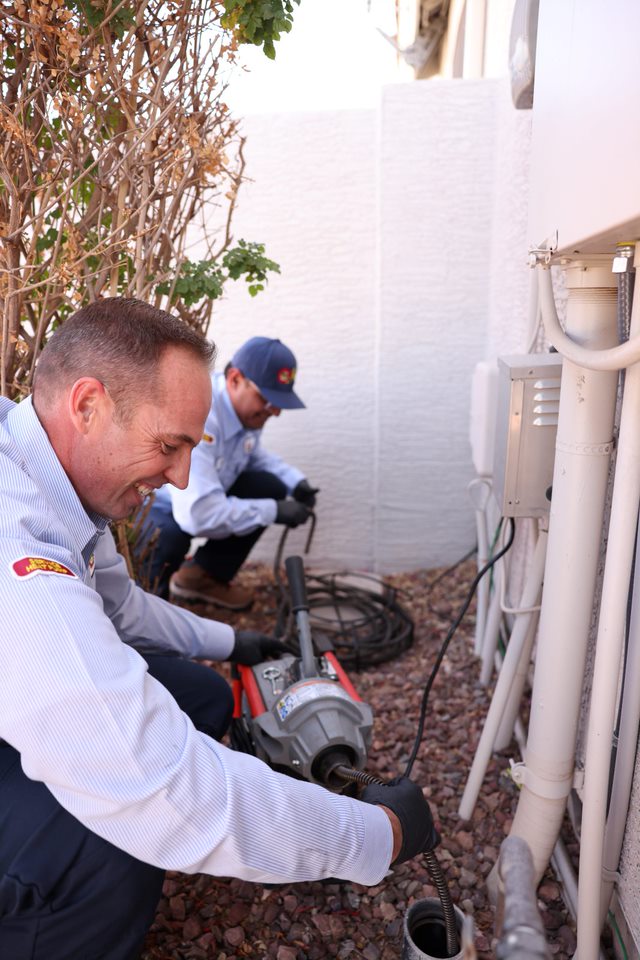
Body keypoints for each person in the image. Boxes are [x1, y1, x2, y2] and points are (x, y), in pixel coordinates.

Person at [0, 298, 439, 960]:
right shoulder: (18, 546)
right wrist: (379, 835)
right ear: (87, 406)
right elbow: (162, 786)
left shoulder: (61, 486)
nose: (180, 477)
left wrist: (237, 643)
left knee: (203, 696)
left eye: (190, 448)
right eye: (168, 446)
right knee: (106, 846)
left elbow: (124, 609)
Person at [142, 336, 319, 608]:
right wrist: (273, 511)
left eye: (279, 403)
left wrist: (294, 482)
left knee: (269, 486)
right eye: (267, 399)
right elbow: (198, 515)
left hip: (196, 502)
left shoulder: (244, 415)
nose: (275, 412)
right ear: (235, 379)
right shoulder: (201, 416)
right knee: (168, 539)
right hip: (157, 509)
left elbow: (252, 454)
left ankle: (201, 578)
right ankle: (151, 608)